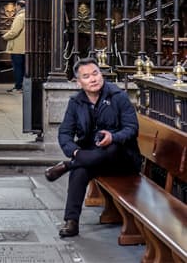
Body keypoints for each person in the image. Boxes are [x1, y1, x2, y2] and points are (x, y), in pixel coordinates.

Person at [44, 57, 142, 238]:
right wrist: (74, 152)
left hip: (122, 158)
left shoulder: (118, 96)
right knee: (81, 169)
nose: (93, 79)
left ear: (101, 74)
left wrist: (113, 136)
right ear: (78, 82)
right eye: (87, 76)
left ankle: (68, 165)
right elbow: (65, 133)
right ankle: (71, 221)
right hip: (92, 156)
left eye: (95, 73)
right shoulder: (76, 102)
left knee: (109, 149)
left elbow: (132, 129)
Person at [3, 0, 25, 93]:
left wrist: (5, 36)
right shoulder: (28, 15)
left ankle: (18, 87)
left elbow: (14, 32)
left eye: (16, 6)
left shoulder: (20, 16)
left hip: (17, 48)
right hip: (25, 47)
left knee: (17, 68)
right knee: (23, 68)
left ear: (18, 6)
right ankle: (22, 86)